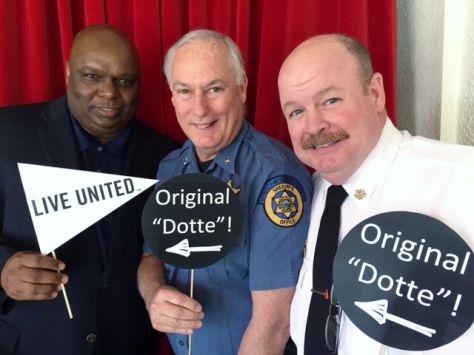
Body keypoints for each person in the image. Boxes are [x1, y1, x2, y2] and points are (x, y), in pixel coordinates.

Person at [278, 34, 474, 354]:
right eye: (296, 112)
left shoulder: (465, 181)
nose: (313, 126)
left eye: (330, 101)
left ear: (375, 93)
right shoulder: (306, 195)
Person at [0, 24, 180, 355]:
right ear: (68, 72)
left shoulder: (170, 157)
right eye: (92, 77)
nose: (110, 93)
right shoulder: (8, 135)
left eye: (125, 81)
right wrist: (3, 268)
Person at [137, 29, 313, 355]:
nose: (200, 109)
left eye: (214, 89)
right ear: (172, 97)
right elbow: (152, 255)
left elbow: (275, 322)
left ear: (242, 89)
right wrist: (153, 293)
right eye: (185, 91)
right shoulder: (171, 167)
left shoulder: (275, 176)